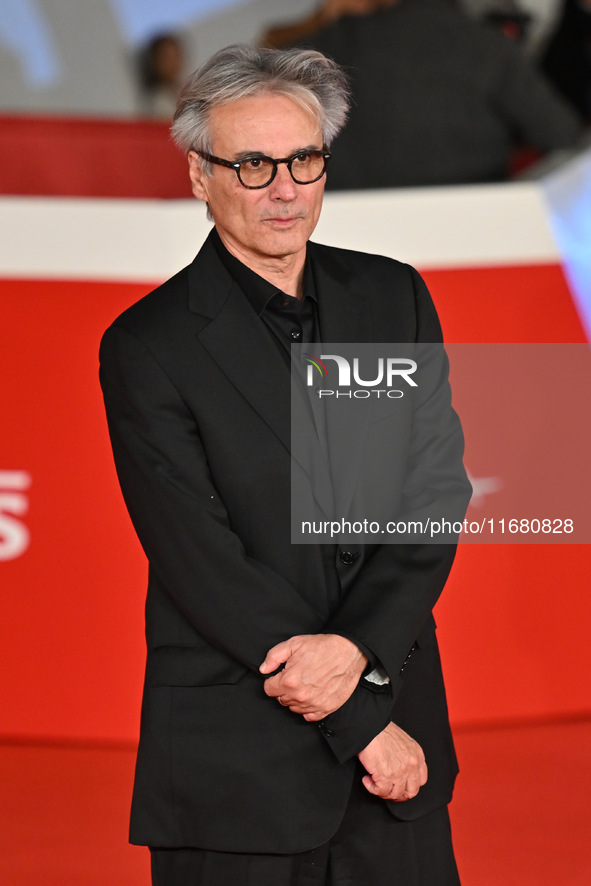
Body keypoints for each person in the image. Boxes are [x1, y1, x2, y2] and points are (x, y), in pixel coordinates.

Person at [99, 44, 471, 886]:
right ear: (200, 175)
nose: (284, 189)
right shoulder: (147, 346)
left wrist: (360, 656)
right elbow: (202, 561)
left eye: (303, 159)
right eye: (254, 163)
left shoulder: (393, 298)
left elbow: (430, 494)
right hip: (240, 766)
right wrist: (360, 720)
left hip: (396, 764)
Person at [260, 0, 582, 189]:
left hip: (345, 245)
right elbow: (564, 135)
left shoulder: (313, 50)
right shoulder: (483, 45)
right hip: (474, 239)